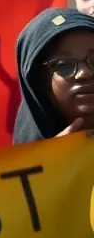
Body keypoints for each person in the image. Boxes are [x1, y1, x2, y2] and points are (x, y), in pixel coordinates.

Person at [12, 8, 94, 143]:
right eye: (63, 65)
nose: (85, 73)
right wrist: (53, 158)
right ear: (40, 82)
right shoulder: (26, 162)